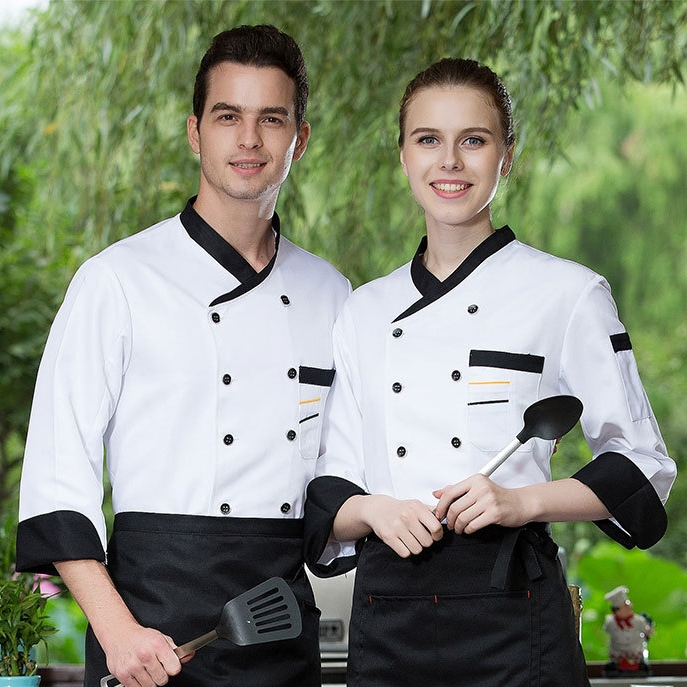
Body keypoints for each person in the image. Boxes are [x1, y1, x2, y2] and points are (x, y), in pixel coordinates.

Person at [304, 58, 676, 686]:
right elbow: (329, 494)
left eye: (472, 140)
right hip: (389, 616)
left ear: (506, 157)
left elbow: (642, 466)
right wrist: (374, 510)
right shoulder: (363, 311)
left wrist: (519, 501)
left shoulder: (569, 294)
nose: (449, 162)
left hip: (513, 612)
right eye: (428, 139)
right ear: (403, 157)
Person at [16, 24, 350, 687]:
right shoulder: (117, 280)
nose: (248, 139)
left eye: (271, 119)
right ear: (196, 132)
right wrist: (117, 632)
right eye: (228, 116)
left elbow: (340, 478)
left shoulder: (332, 294)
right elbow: (58, 473)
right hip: (147, 627)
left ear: (300, 138)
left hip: (281, 625)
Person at [603, 586, 654, 676]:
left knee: (638, 664)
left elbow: (647, 631)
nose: (630, 607)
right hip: (617, 651)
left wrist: (649, 629)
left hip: (635, 651)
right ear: (617, 610)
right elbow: (606, 630)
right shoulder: (610, 622)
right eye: (625, 606)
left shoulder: (638, 621)